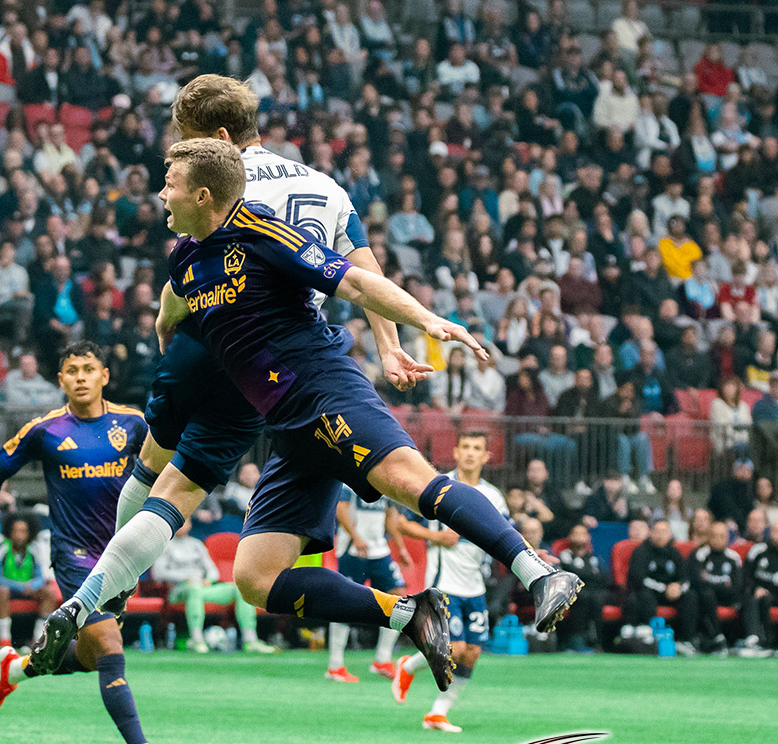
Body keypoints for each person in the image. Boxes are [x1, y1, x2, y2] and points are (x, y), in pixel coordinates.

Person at [39, 135, 580, 689]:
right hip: (287, 428)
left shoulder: (261, 230)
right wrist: (163, 327)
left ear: (203, 195)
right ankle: (411, 613)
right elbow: (173, 304)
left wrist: (426, 321)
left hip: (325, 391)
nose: (160, 194)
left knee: (412, 483)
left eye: (170, 184)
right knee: (256, 577)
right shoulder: (185, 256)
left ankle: (538, 572)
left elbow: (355, 278)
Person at [0, 342, 181, 744]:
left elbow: (168, 471)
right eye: (71, 371)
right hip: (75, 556)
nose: (80, 377)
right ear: (60, 380)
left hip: (124, 557)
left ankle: (14, 670)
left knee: (87, 656)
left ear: (105, 375)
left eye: (88, 369)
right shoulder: (45, 430)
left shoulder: (135, 423)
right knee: (109, 648)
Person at [390, 432, 503, 733]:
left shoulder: (493, 496)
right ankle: (417, 679)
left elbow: (506, 533)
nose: (470, 453)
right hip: (444, 581)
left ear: (485, 457)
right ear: (455, 452)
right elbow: (400, 523)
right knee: (454, 646)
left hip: (474, 583)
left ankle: (436, 710)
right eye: (465, 447)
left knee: (473, 652)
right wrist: (435, 536)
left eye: (477, 448)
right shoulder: (437, 487)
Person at [152, 520, 274, 655]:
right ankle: (196, 640)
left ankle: (250, 640)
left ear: (190, 525)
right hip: (178, 591)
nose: (182, 524)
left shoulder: (197, 545)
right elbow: (159, 573)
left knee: (239, 589)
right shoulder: (165, 545)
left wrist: (208, 580)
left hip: (201, 587)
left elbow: (213, 571)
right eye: (180, 520)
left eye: (186, 521)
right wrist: (186, 578)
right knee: (194, 588)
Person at [326, 487, 410, 682]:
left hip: (379, 549)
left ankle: (382, 659)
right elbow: (341, 508)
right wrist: (355, 536)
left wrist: (401, 547)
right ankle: (335, 665)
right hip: (353, 549)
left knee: (398, 599)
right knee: (345, 604)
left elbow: (390, 515)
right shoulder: (351, 480)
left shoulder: (384, 481)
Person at [624, 519, 697, 656]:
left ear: (670, 535)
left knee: (690, 596)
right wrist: (665, 589)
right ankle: (651, 639)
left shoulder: (675, 553)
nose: (660, 535)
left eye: (664, 532)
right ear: (650, 533)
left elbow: (686, 578)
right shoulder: (641, 551)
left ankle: (686, 640)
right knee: (645, 595)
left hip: (672, 594)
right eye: (657, 531)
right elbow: (640, 579)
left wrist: (678, 588)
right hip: (650, 592)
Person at [0, 513, 55, 649]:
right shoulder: (1, 549)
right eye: (16, 531)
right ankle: (5, 643)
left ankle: (38, 641)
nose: (19, 536)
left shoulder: (34, 550)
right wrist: (20, 587)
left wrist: (33, 585)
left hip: (28, 589)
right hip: (5, 590)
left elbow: (41, 577)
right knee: (2, 592)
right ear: (9, 532)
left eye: (23, 532)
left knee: (48, 593)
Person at [554, 524, 609, 652]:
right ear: (570, 537)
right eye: (576, 533)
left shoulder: (594, 557)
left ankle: (596, 641)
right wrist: (590, 574)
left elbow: (602, 577)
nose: (579, 537)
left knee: (597, 598)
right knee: (582, 596)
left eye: (583, 534)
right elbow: (572, 574)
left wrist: (585, 573)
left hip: (593, 592)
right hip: (572, 592)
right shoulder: (565, 556)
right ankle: (576, 639)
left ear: (588, 537)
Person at [689, 522, 742, 654]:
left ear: (727, 538)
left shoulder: (734, 557)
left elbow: (737, 586)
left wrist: (709, 580)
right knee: (706, 594)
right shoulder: (700, 554)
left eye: (722, 536)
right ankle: (716, 637)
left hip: (727, 598)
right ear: (708, 537)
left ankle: (750, 640)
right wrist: (722, 585)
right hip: (705, 600)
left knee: (748, 597)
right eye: (714, 536)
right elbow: (697, 582)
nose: (718, 539)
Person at [740, 537, 778, 657]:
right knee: (754, 598)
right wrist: (755, 588)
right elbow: (746, 575)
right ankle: (755, 640)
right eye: (775, 531)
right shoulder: (757, 551)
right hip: (758, 594)